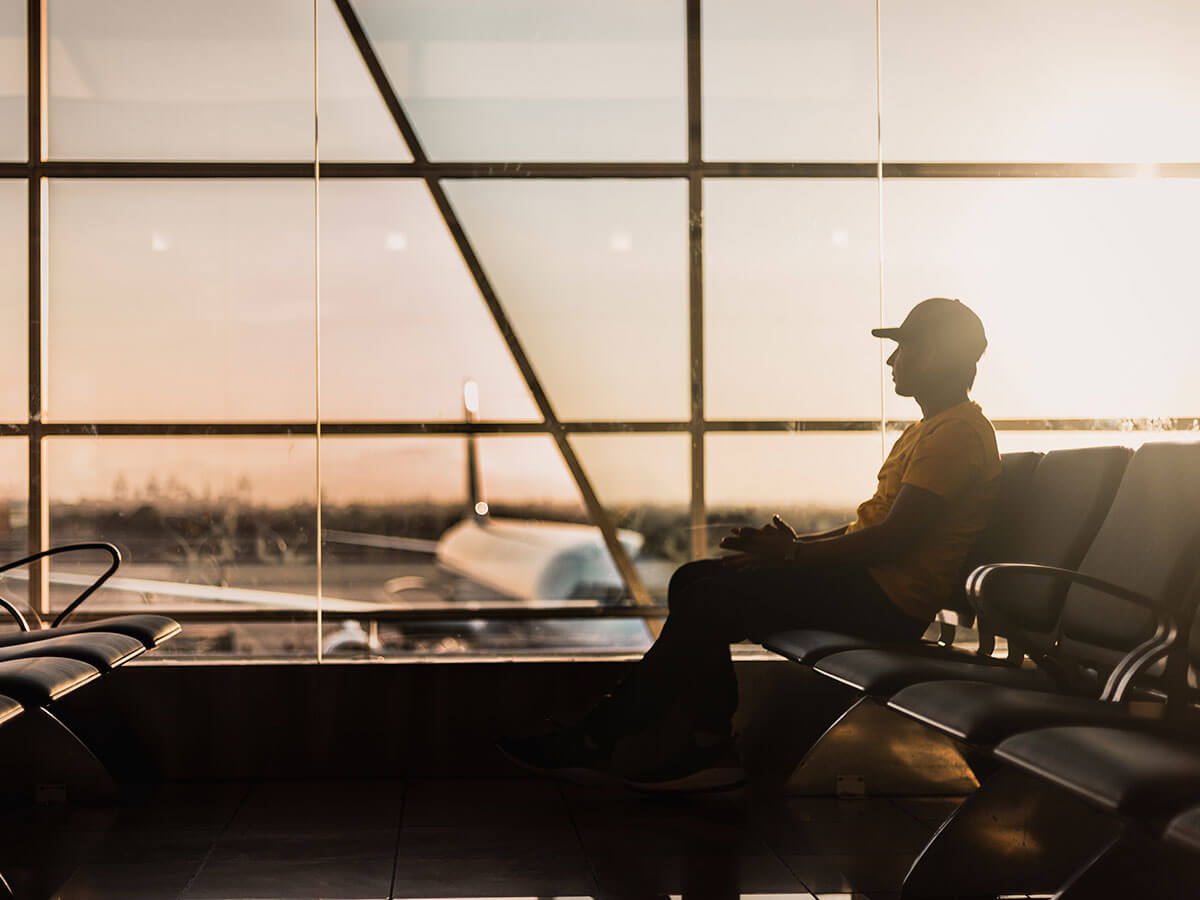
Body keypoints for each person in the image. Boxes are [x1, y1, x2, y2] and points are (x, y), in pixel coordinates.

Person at [498, 297, 1002, 792]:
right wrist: (791, 547)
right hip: (870, 587)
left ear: (936, 354)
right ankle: (703, 741)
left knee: (707, 595)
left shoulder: (955, 434)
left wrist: (795, 556)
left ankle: (610, 739)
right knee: (694, 578)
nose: (892, 360)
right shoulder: (930, 430)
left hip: (886, 603)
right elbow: (870, 530)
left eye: (905, 348)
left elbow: (893, 542)